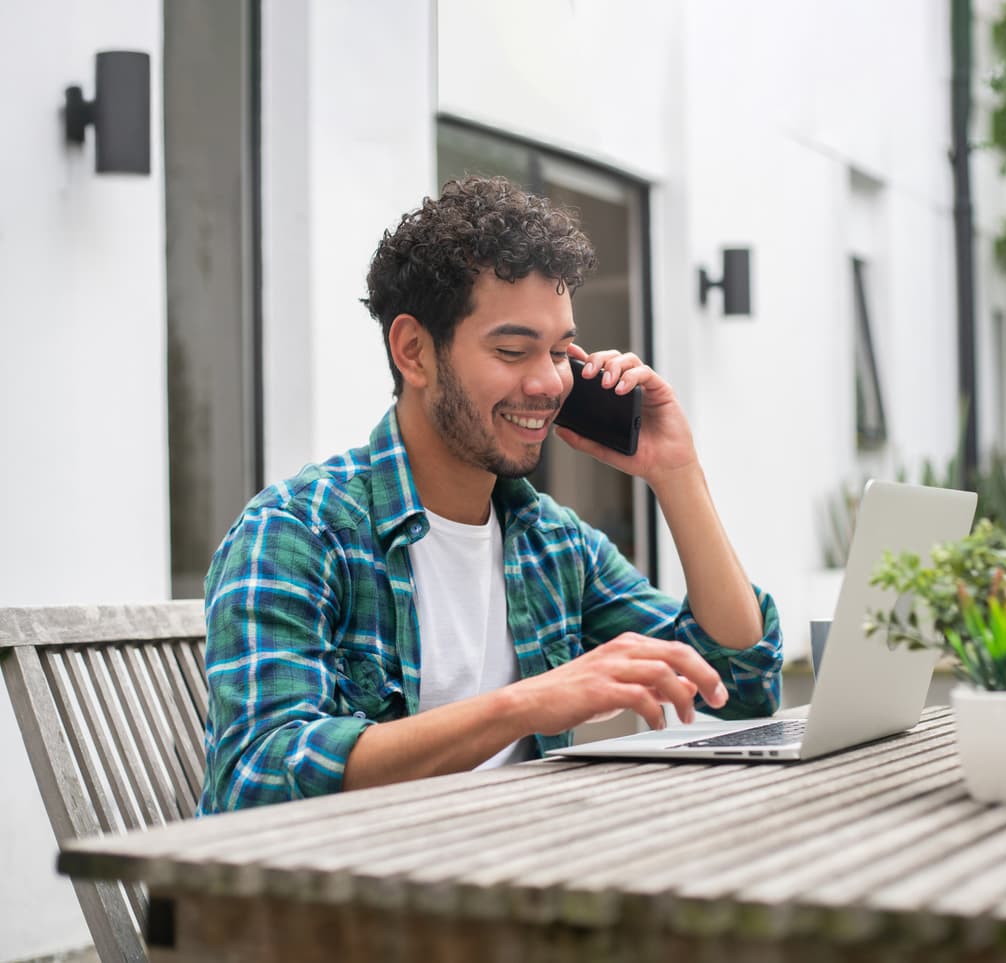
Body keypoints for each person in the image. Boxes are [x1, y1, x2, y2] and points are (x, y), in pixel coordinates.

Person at [199, 175, 782, 813]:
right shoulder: (297, 533)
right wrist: (526, 704)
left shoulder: (550, 543)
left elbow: (739, 684)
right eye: (512, 350)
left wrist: (677, 473)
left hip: (514, 876)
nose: (548, 383)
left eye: (561, 352)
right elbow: (259, 773)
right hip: (348, 898)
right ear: (414, 351)